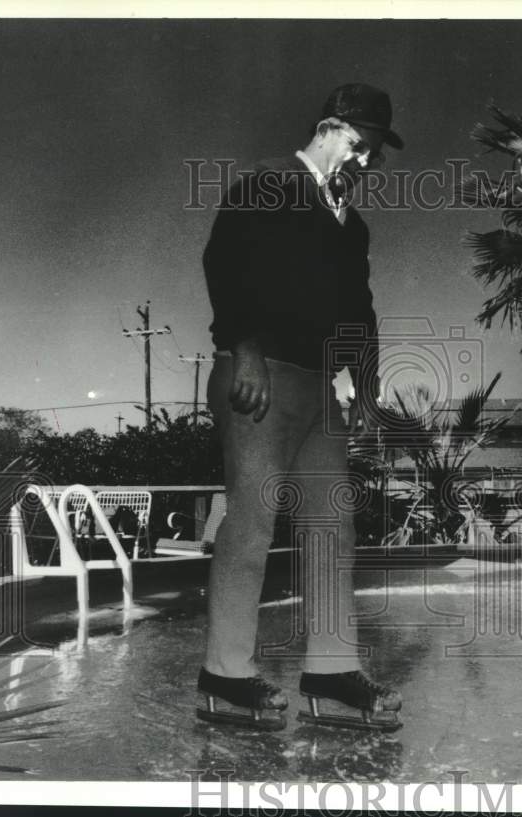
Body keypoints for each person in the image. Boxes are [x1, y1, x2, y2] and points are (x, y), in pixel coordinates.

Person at [198, 83, 404, 732]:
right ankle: (224, 678)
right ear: (329, 127)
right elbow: (225, 262)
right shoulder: (268, 182)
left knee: (331, 526)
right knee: (252, 522)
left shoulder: (352, 223)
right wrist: (246, 348)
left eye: (373, 154)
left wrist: (362, 387)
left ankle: (331, 673)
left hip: (323, 387)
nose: (366, 164)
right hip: (259, 375)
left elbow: (358, 313)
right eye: (359, 146)